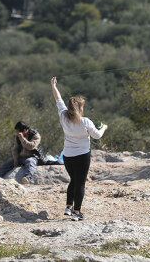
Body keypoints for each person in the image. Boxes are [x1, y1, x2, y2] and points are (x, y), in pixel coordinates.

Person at [51, 76, 107, 221]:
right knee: (80, 183)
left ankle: (68, 207)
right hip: (82, 155)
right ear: (80, 108)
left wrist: (53, 85)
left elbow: (58, 99)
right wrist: (104, 127)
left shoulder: (63, 116)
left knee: (73, 180)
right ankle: (77, 212)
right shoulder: (85, 121)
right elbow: (97, 136)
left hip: (67, 156)